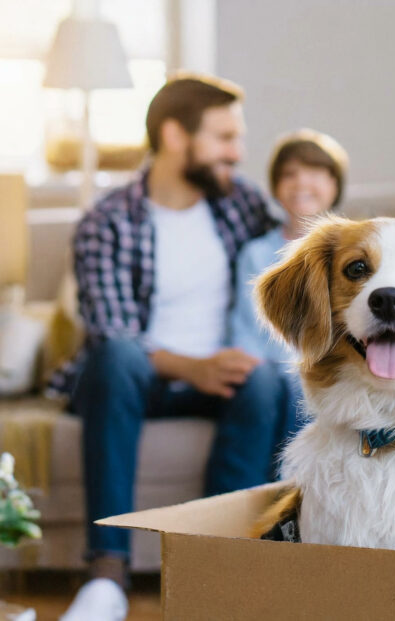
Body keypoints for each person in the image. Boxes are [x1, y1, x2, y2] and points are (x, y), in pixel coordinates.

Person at [52, 75, 284, 621]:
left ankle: (216, 567)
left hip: (217, 378)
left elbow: (289, 247)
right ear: (176, 135)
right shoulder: (106, 221)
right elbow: (113, 333)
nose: (238, 153)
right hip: (132, 382)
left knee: (265, 379)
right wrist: (193, 367)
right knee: (117, 358)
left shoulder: (239, 203)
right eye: (225, 137)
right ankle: (106, 577)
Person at [229, 128, 348, 438]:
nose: (301, 183)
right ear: (275, 187)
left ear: (334, 184)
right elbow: (245, 328)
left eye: (315, 172)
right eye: (290, 174)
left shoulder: (352, 256)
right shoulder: (255, 254)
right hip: (269, 374)